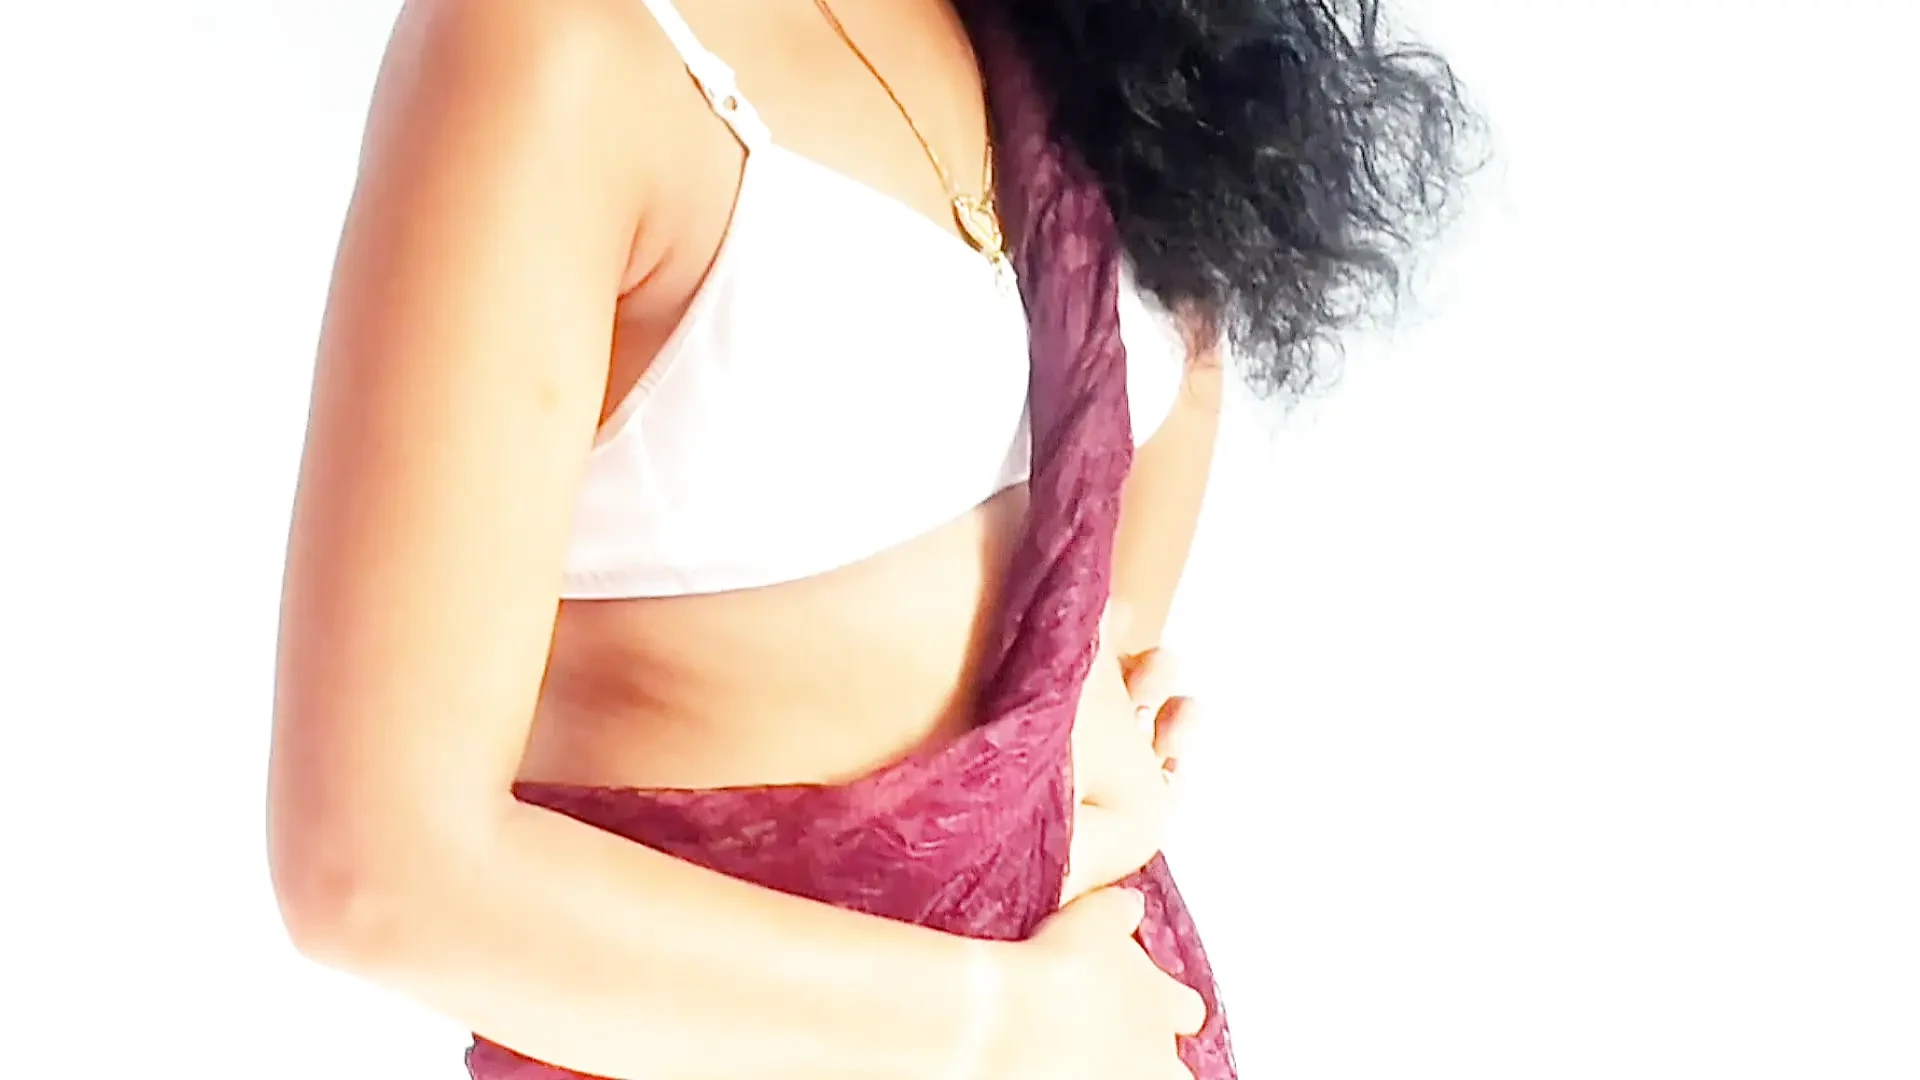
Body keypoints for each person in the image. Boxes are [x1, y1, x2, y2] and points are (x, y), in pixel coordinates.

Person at [265, 0, 1474, 1077]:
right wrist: (998, 1028)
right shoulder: (557, 42)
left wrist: (1083, 716)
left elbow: (1165, 380)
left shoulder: (1092, 34)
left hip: (1105, 1010)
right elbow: (373, 872)